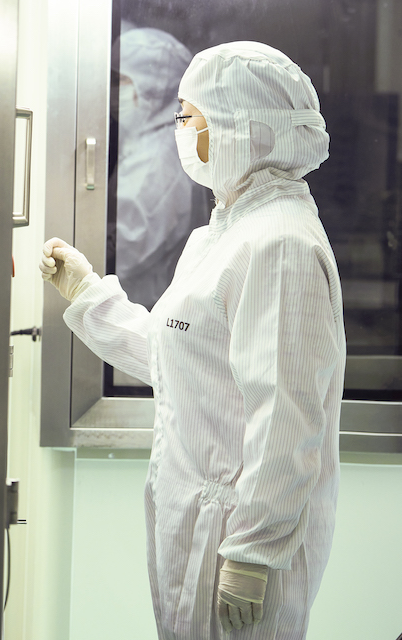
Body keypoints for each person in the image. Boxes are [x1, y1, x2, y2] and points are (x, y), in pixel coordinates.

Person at [40, 42, 345, 639]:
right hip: (200, 517)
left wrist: (254, 552)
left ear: (239, 126)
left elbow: (287, 415)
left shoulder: (280, 244)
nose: (179, 131)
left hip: (238, 536)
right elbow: (176, 356)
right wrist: (86, 293)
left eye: (189, 117)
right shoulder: (223, 234)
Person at [114, 27, 197, 309]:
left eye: (121, 81)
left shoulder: (157, 160)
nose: (113, 93)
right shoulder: (146, 141)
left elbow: (125, 248)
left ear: (150, 87)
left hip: (143, 306)